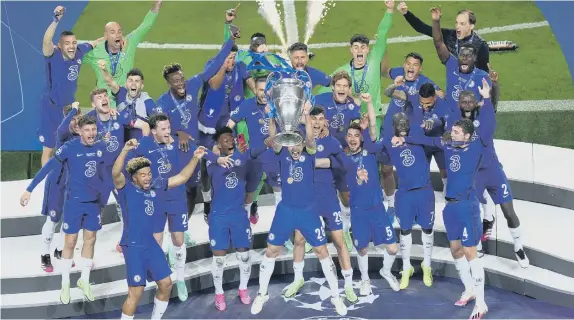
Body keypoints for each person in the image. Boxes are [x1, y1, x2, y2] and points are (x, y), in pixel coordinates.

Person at [250, 102, 347, 316]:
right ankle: (262, 294)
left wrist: (306, 114)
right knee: (270, 251)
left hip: (308, 212)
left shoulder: (310, 153)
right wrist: (273, 116)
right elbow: (274, 138)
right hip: (286, 211)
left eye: (298, 144)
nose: (294, 148)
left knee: (322, 251)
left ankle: (336, 297)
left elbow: (311, 137)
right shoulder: (283, 153)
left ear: (303, 144)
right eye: (291, 144)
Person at [393, 116, 489, 320]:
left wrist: (488, 100)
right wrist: (405, 139)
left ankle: (481, 304)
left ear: (468, 136)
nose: (451, 134)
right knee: (455, 250)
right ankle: (469, 289)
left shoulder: (475, 149)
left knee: (471, 252)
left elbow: (486, 128)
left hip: (467, 206)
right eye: (452, 131)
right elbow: (427, 141)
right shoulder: (448, 146)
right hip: (450, 207)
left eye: (456, 132)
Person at [112, 139, 206, 320]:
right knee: (135, 293)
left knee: (166, 283)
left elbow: (181, 178)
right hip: (133, 247)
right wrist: (124, 150)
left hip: (151, 244)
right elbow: (116, 172)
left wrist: (195, 158)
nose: (147, 177)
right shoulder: (126, 190)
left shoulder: (156, 185)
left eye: (148, 173)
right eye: (142, 175)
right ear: (134, 178)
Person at [21, 115, 110, 304]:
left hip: (93, 203)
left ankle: (84, 280)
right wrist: (29, 189)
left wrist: (103, 201)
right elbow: (48, 168)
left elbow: (104, 176)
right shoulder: (69, 148)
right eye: (87, 130)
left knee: (91, 240)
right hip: (74, 203)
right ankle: (65, 283)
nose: (91, 133)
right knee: (69, 243)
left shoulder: (101, 148)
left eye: (93, 129)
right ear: (79, 131)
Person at [156, 34, 238, 224]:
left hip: (196, 147)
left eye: (182, 78)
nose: (181, 83)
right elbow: (158, 127)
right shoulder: (163, 102)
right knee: (177, 188)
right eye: (176, 81)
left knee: (194, 188)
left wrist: (230, 41)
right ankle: (170, 226)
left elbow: (213, 67)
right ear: (169, 83)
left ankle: (187, 220)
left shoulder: (192, 85)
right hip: (178, 151)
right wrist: (178, 133)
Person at [447, 85, 530, 268]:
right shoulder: (454, 119)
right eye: (463, 101)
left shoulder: (484, 113)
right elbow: (448, 137)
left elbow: (493, 103)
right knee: (473, 213)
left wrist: (493, 88)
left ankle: (518, 247)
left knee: (509, 211)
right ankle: (477, 245)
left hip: (493, 171)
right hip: (473, 175)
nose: (467, 104)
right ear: (459, 103)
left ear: (475, 102)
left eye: (470, 101)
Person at [283, 106, 358, 304]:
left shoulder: (332, 142)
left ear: (326, 122)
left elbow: (346, 164)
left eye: (320, 119)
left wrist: (327, 163)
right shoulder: (299, 141)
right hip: (306, 202)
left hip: (328, 201)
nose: (316, 123)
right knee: (299, 240)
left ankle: (348, 285)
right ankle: (297, 279)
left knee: (339, 242)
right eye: (312, 118)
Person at [331, 95, 400, 296]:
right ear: (346, 138)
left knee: (393, 249)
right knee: (362, 249)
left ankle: (386, 271)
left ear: (361, 137)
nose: (353, 138)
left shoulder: (370, 150)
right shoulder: (343, 159)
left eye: (356, 135)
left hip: (378, 209)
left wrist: (370, 103)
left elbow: (372, 128)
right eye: (349, 135)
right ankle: (365, 280)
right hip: (358, 211)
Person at [205, 127, 267, 311]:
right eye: (225, 140)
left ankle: (243, 289)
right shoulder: (212, 163)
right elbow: (200, 152)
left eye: (231, 138)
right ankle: (219, 294)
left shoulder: (242, 158)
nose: (230, 141)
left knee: (245, 256)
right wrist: (215, 156)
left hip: (239, 215)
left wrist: (267, 141)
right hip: (218, 217)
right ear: (217, 145)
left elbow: (255, 152)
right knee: (219, 260)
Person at [39, 6, 101, 166]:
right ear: (59, 46)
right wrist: (55, 20)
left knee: (73, 143)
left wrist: (110, 38)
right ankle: (48, 184)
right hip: (51, 108)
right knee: (49, 149)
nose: (72, 46)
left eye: (74, 42)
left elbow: (94, 43)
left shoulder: (80, 51)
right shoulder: (53, 56)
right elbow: (46, 41)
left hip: (69, 108)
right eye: (67, 44)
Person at [383, 112, 435, 289]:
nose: (403, 127)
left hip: (425, 191)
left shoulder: (419, 139)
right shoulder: (390, 144)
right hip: (405, 193)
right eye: (400, 124)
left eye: (406, 123)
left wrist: (410, 139)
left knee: (427, 228)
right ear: (394, 127)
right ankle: (406, 267)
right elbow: (373, 146)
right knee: (405, 231)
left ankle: (426, 264)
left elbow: (436, 137)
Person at [314, 71, 362, 252]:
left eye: (345, 86)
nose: (341, 89)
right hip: (321, 154)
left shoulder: (353, 108)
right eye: (338, 85)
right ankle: (315, 233)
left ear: (349, 89)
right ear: (332, 86)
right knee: (318, 195)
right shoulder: (320, 100)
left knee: (346, 197)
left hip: (341, 157)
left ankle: (346, 229)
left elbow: (356, 132)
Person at [82, 0, 162, 107]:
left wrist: (157, 4)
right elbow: (74, 56)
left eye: (119, 32)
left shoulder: (129, 43)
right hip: (105, 102)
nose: (118, 35)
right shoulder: (95, 52)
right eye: (112, 32)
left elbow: (145, 25)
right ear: (106, 35)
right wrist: (95, 42)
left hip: (125, 100)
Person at [34, 102, 82, 272]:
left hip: (73, 188)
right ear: (67, 120)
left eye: (79, 119)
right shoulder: (62, 135)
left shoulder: (82, 138)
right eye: (73, 119)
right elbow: (62, 127)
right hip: (56, 185)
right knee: (53, 220)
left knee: (67, 221)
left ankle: (61, 250)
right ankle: (44, 255)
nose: (77, 123)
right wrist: (73, 111)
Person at [226, 77, 282, 223]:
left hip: (275, 156)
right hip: (255, 156)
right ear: (255, 90)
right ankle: (244, 227)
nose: (264, 93)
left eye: (267, 89)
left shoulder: (280, 104)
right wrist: (230, 143)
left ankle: (284, 232)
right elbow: (229, 125)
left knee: (280, 193)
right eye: (261, 90)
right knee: (249, 193)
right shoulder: (248, 104)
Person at [385, 82, 450, 193]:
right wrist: (394, 85)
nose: (425, 106)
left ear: (435, 97)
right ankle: (423, 193)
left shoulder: (444, 106)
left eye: (428, 103)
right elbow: (388, 93)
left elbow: (448, 131)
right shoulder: (413, 95)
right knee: (421, 171)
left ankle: (447, 190)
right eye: (422, 103)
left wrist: (435, 122)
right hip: (420, 142)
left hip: (437, 142)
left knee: (445, 171)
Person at [430, 7, 499, 110]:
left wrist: (494, 84)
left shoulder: (481, 76)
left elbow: (492, 106)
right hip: (451, 117)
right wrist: (436, 21)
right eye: (462, 55)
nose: (464, 58)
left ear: (474, 58)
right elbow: (438, 43)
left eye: (468, 56)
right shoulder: (452, 64)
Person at [396, 1, 490, 72]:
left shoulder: (480, 45)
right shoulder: (450, 36)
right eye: (456, 23)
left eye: (462, 24)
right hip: (453, 82)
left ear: (471, 26)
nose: (457, 26)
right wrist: (406, 13)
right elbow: (422, 28)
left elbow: (484, 73)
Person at [97, 62, 158, 140]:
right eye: (130, 80)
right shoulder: (121, 93)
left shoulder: (147, 102)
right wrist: (104, 70)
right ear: (126, 84)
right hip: (120, 143)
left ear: (142, 86)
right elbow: (110, 82)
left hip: (138, 145)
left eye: (137, 81)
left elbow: (158, 124)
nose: (133, 83)